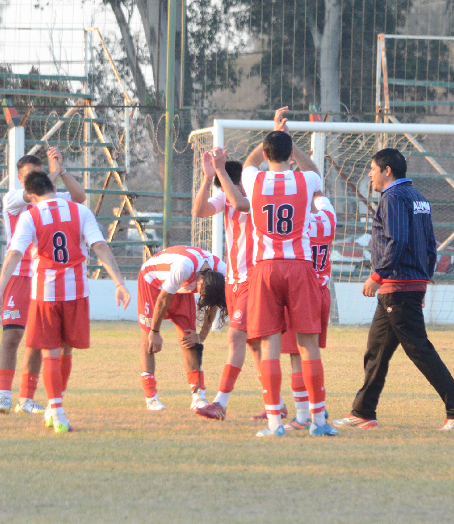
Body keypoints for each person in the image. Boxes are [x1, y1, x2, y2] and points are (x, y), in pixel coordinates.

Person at [332, 148, 454, 431]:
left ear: (387, 171)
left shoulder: (393, 197)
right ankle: (363, 412)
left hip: (396, 284)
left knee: (420, 350)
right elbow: (429, 245)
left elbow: (396, 241)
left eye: (373, 169)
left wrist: (378, 275)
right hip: (406, 285)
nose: (370, 175)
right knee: (376, 350)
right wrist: (422, 283)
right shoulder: (418, 197)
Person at [217, 107, 337, 437]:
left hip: (265, 269)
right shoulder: (306, 179)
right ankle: (319, 421)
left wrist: (271, 135)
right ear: (289, 154)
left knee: (270, 346)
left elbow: (249, 164)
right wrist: (288, 139)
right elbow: (314, 172)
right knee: (308, 346)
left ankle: (274, 424)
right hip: (299, 267)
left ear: (268, 153)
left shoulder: (255, 180)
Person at [0, 171, 130, 433]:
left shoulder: (29, 215)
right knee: (67, 351)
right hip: (77, 293)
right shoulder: (80, 211)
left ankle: (56, 411)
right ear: (54, 187)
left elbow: (14, 254)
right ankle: (56, 409)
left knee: (50, 354)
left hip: (45, 294)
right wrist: (119, 283)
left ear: (31, 195)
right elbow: (101, 247)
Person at [0, 148, 86, 415]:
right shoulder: (13, 198)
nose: (36, 179)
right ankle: (3, 396)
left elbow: (79, 197)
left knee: (37, 339)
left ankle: (26, 398)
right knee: (12, 335)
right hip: (17, 274)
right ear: (21, 179)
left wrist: (62, 170)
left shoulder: (52, 196)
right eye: (31, 176)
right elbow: (33, 190)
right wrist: (50, 172)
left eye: (39, 175)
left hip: (43, 274)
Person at [191, 154, 269, 421]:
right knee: (254, 345)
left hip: (254, 278)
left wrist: (220, 171)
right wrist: (206, 177)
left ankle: (220, 402)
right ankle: (275, 404)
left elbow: (240, 203)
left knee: (235, 338)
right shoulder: (226, 196)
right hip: (234, 280)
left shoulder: (256, 194)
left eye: (223, 182)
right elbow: (199, 211)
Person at [136, 245, 227, 411]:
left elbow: (212, 303)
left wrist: (201, 336)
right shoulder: (184, 266)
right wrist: (155, 332)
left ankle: (198, 395)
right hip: (152, 282)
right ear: (199, 280)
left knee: (189, 338)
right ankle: (151, 397)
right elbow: (163, 299)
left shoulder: (221, 271)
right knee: (148, 339)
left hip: (181, 287)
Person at [281, 196, 336, 431]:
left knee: (297, 355)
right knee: (310, 352)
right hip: (322, 292)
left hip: (301, 292)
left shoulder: (294, 224)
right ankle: (315, 409)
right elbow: (321, 198)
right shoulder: (328, 218)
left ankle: (305, 414)